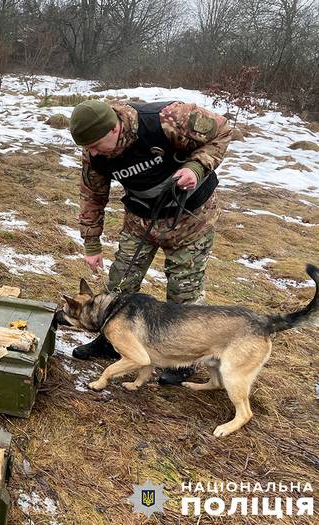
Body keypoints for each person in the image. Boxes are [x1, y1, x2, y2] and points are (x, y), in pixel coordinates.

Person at [69, 98, 231, 385]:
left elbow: (221, 130)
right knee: (120, 283)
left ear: (113, 129)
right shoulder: (94, 152)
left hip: (190, 218)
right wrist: (91, 244)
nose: (91, 152)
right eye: (87, 148)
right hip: (141, 220)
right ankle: (112, 342)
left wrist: (196, 167)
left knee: (184, 293)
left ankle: (183, 359)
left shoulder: (167, 118)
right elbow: (92, 196)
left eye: (94, 144)